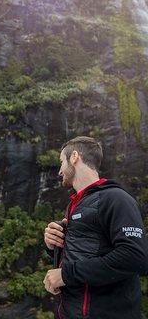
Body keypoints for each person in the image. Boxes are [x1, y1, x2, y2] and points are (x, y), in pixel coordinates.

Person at [43, 136, 148, 319]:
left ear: (74, 157)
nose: (60, 170)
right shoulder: (75, 205)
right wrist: (53, 246)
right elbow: (88, 252)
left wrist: (66, 275)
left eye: (61, 162)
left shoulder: (116, 198)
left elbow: (135, 257)